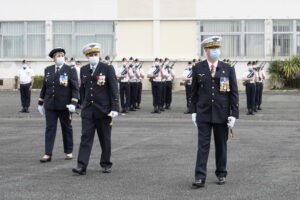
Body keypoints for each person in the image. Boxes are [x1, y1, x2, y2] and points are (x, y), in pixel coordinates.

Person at [190, 36, 239, 188]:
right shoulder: (198, 68)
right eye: (212, 49)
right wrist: (193, 111)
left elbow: (233, 93)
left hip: (222, 113)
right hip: (203, 113)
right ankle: (199, 177)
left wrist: (233, 113)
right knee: (203, 146)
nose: (216, 51)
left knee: (221, 145)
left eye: (217, 49)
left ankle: (221, 173)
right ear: (206, 50)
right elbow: (194, 92)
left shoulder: (227, 68)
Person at [72, 43, 119, 175]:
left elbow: (114, 89)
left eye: (95, 54)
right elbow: (83, 90)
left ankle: (106, 163)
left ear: (99, 55)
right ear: (87, 56)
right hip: (88, 110)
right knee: (85, 138)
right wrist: (80, 104)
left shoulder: (107, 68)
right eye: (91, 55)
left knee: (105, 138)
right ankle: (81, 165)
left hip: (104, 110)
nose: (93, 57)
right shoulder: (84, 69)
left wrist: (115, 107)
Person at [38, 47, 79, 163]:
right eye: (57, 55)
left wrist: (73, 103)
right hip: (50, 105)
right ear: (53, 58)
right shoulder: (48, 70)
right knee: (50, 129)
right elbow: (44, 87)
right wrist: (40, 102)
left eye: (62, 55)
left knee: (66, 128)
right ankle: (48, 153)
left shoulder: (70, 69)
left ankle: (69, 151)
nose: (60, 57)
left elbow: (75, 88)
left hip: (65, 106)